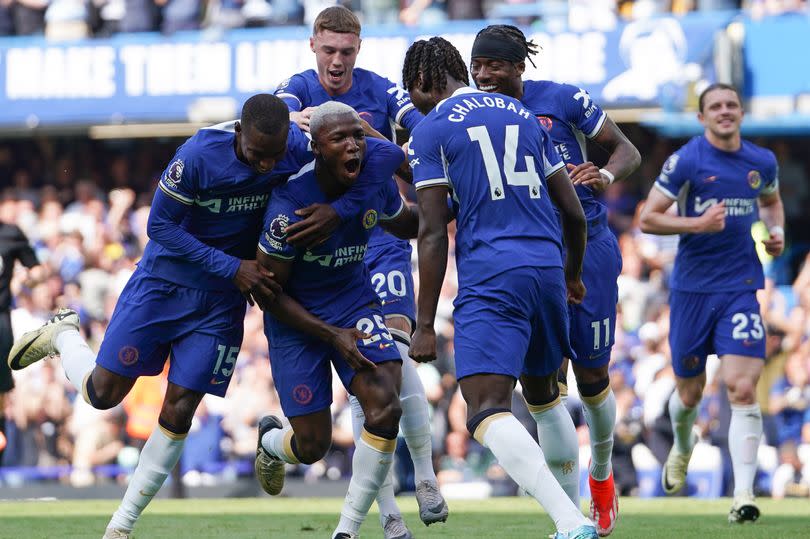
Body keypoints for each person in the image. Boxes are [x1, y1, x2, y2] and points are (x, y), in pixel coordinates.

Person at [7, 94, 384, 539]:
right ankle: (66, 334)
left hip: (222, 301)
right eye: (257, 155)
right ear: (239, 133)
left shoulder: (297, 146)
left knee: (180, 407)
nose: (266, 166)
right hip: (164, 286)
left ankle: (120, 526)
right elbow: (159, 227)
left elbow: (381, 156)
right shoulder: (198, 155)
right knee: (102, 394)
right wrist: (231, 265)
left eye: (274, 156)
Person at [403, 36, 597, 539]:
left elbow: (430, 231)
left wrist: (424, 325)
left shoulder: (432, 128)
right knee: (545, 397)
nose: (414, 104)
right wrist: (572, 274)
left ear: (425, 82)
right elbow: (573, 211)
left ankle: (570, 520)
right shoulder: (523, 115)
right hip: (547, 269)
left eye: (414, 92)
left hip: (493, 275)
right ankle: (575, 515)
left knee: (486, 408)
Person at [274, 6, 446, 535]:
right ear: (313, 46)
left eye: (347, 51)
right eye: (329, 50)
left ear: (359, 49)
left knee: (391, 359)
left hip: (378, 235)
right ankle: (389, 510)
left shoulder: (382, 91)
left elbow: (421, 127)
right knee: (359, 381)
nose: (337, 61)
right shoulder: (296, 89)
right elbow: (275, 116)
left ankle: (425, 477)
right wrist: (294, 120)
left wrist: (400, 144)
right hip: (323, 249)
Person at [469, 24, 641, 536]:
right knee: (542, 389)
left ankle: (602, 476)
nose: (484, 76)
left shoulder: (564, 100)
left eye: (494, 65)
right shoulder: (476, 115)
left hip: (587, 247)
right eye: (477, 66)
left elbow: (625, 149)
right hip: (530, 255)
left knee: (591, 382)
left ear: (520, 66)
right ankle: (568, 519)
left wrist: (606, 175)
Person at [252, 102, 419, 539]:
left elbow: (408, 224)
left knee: (385, 406)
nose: (354, 146)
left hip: (354, 303)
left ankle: (346, 530)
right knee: (313, 446)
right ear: (316, 148)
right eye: (340, 139)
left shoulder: (372, 183)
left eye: (358, 136)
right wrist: (331, 336)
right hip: (297, 322)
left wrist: (456, 203)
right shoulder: (288, 208)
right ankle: (272, 443)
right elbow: (268, 295)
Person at [639, 82, 785, 523]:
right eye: (715, 106)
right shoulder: (686, 160)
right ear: (702, 118)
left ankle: (743, 496)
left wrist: (776, 233)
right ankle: (683, 446)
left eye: (731, 105)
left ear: (741, 112)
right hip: (691, 292)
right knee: (689, 393)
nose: (725, 111)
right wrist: (698, 224)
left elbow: (772, 204)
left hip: (741, 287)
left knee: (742, 388)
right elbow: (649, 217)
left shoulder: (761, 161)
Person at [0, 219, 43, 464]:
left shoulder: (10, 233)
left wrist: (27, 280)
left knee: (2, 393)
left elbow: (37, 270)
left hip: (0, 322)